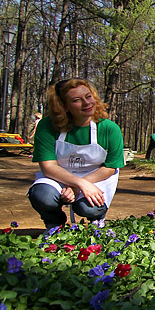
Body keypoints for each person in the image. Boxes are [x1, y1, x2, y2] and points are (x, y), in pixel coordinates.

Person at [28, 78, 124, 226]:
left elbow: (110, 167)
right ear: (64, 106)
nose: (87, 103)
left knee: (90, 207)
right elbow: (48, 166)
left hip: (96, 178)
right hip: (58, 177)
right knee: (42, 196)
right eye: (76, 100)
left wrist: (79, 186)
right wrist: (78, 183)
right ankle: (54, 224)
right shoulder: (47, 126)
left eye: (88, 96)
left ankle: (97, 221)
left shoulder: (109, 128)